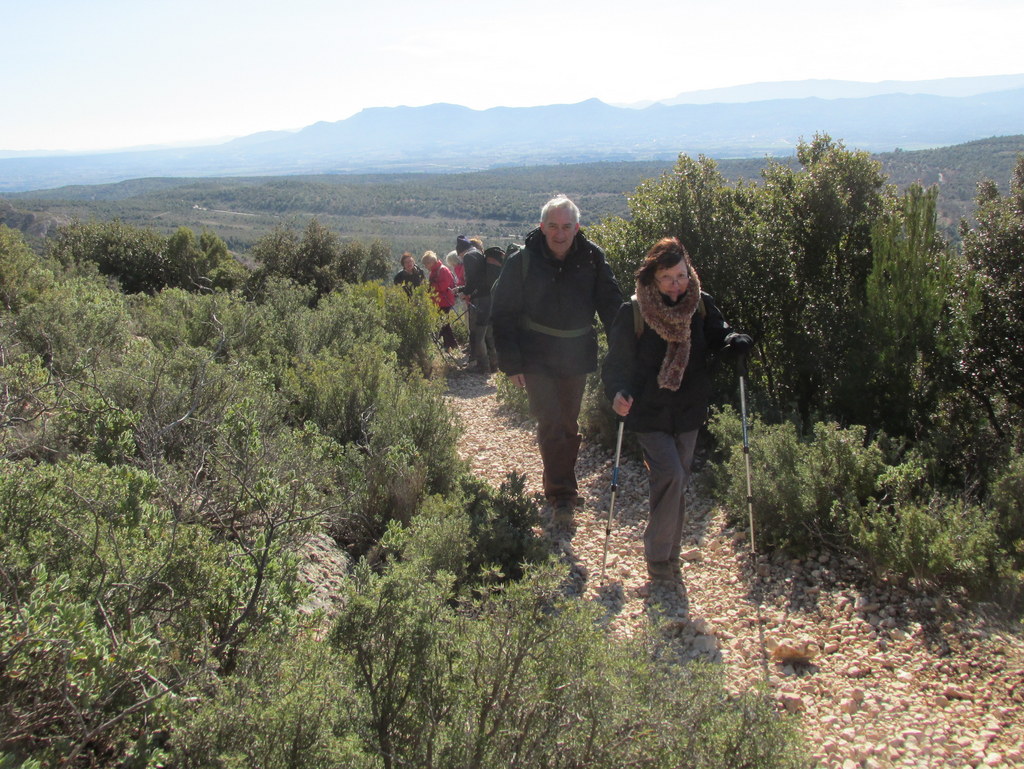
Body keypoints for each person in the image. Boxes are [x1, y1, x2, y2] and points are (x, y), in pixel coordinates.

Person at [601, 236, 752, 582]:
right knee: (671, 475)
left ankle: (669, 554)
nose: (676, 285)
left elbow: (719, 334)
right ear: (653, 277)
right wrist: (617, 392)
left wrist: (733, 341)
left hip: (688, 411)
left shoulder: (700, 305)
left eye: (681, 276)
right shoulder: (635, 312)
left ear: (690, 272)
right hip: (648, 412)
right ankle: (657, 555)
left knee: (676, 481)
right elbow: (616, 364)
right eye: (667, 277)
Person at [491, 195, 624, 522]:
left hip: (576, 355)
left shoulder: (593, 258)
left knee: (567, 424)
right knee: (551, 421)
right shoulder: (521, 261)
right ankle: (563, 496)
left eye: (566, 226)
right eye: (553, 226)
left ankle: (558, 484)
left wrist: (627, 350)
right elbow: (502, 313)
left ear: (576, 228)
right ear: (542, 226)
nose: (559, 233)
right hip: (535, 355)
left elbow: (612, 307)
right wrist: (512, 363)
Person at [460, 235, 504, 374]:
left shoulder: (469, 256)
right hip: (490, 299)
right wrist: (463, 289)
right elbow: (479, 280)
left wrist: (466, 292)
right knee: (489, 334)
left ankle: (484, 367)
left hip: (480, 302)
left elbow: (472, 280)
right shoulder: (479, 254)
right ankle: (494, 364)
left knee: (479, 335)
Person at [421, 250, 459, 349]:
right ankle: (448, 345)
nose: (425, 267)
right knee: (444, 324)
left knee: (444, 324)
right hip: (439, 302)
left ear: (431, 262)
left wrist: (431, 286)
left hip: (444, 302)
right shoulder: (434, 271)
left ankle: (450, 345)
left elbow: (443, 286)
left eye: (426, 264)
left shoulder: (443, 270)